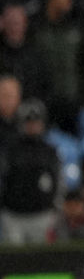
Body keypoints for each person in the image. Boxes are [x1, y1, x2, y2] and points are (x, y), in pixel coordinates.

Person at [0, 99, 60, 246]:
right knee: (13, 262)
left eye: (36, 122)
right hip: (13, 215)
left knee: (41, 262)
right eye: (28, 122)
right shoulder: (9, 150)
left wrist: (55, 209)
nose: (32, 126)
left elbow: (59, 181)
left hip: (42, 215)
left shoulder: (50, 151)